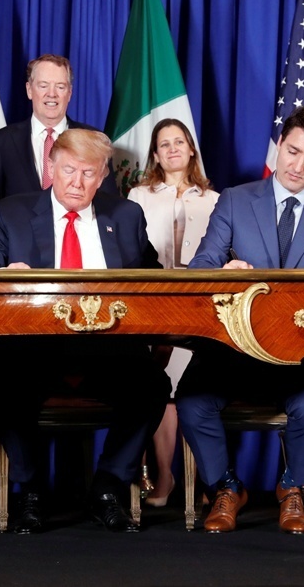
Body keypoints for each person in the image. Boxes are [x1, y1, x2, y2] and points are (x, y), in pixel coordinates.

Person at [177, 105, 304, 534]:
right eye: (293, 151)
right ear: (279, 146)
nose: (298, 166)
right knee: (191, 402)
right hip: (233, 351)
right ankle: (226, 489)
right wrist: (223, 271)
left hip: (303, 356)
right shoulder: (235, 199)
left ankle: (292, 488)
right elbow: (200, 267)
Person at [0, 128, 171, 534]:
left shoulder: (126, 216)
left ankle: (107, 487)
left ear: (102, 176)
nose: (77, 182)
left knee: (153, 386)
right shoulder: (10, 213)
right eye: (68, 170)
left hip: (109, 353)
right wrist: (4, 276)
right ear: (51, 167)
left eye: (88, 173)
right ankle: (31, 491)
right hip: (34, 351)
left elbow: (154, 284)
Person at [127, 118, 219, 507]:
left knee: (193, 388)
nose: (172, 149)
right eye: (164, 144)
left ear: (191, 148)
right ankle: (164, 478)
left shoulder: (215, 200)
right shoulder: (137, 196)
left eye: (179, 141)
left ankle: (205, 481)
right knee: (159, 389)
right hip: (153, 302)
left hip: (199, 306)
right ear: (155, 154)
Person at [0, 53, 119, 220]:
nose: (51, 94)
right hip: (19, 235)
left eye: (60, 87)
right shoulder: (3, 142)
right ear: (29, 90)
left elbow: (109, 204)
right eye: (43, 85)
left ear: (70, 93)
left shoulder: (94, 141)